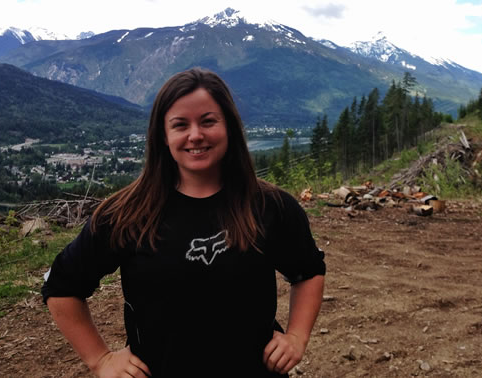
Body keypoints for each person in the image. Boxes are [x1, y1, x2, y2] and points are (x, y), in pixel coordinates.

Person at [41, 67, 326, 377]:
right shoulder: (127, 214)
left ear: (229, 126)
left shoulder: (270, 206)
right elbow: (61, 288)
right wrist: (100, 359)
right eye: (180, 125)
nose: (195, 135)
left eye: (208, 121)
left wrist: (297, 337)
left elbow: (308, 271)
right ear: (163, 135)